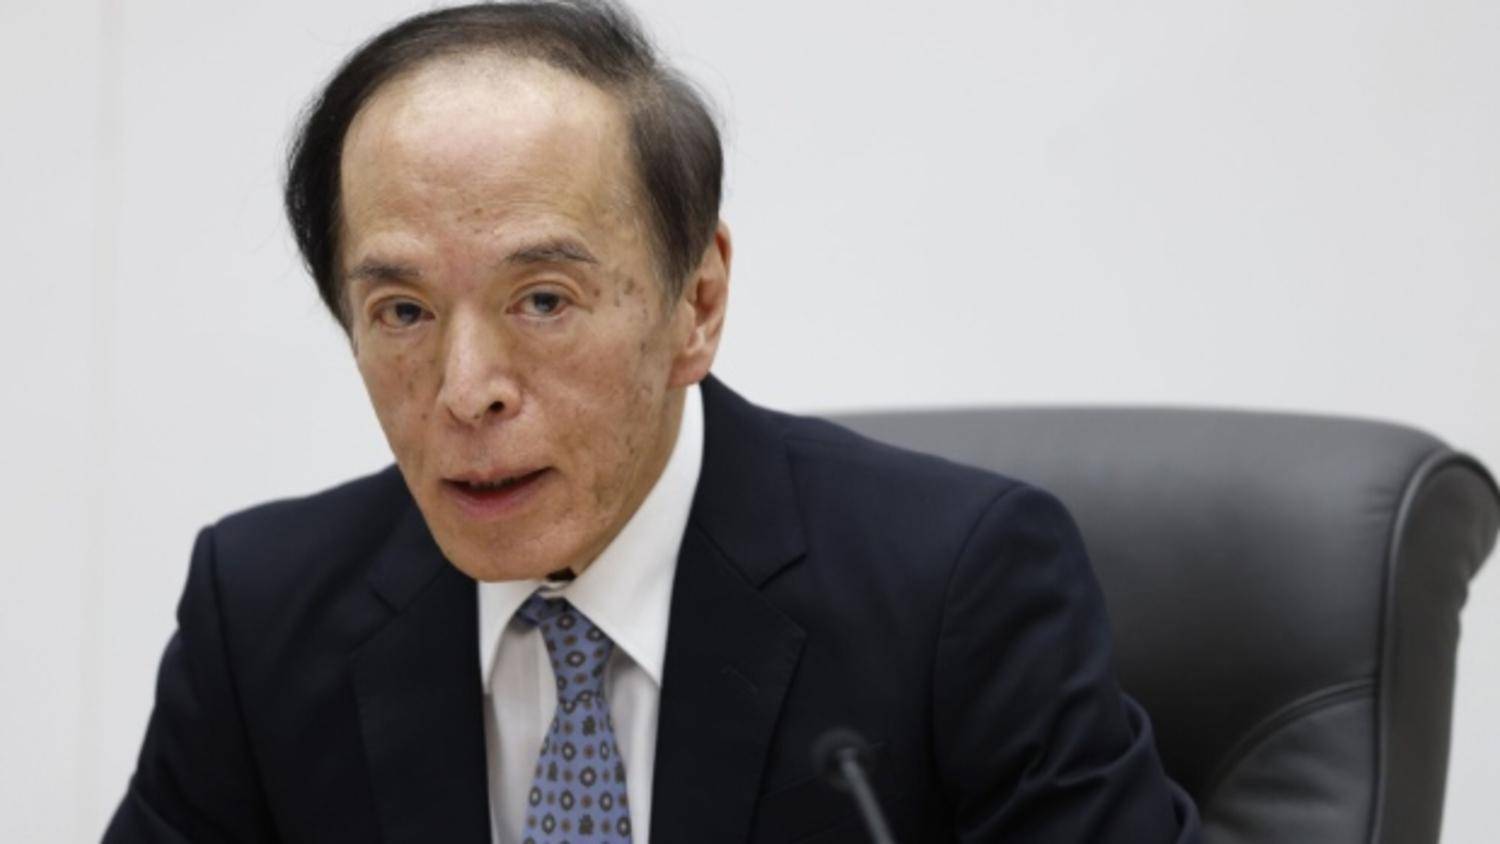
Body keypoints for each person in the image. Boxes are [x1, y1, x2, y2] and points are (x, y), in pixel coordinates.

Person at [106, 2, 1200, 842]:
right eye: (402, 311)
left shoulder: (959, 590)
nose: (466, 388)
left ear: (697, 304)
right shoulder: (261, 615)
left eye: (543, 300)